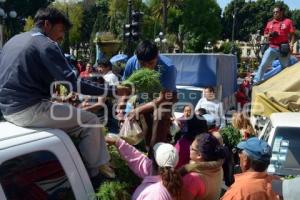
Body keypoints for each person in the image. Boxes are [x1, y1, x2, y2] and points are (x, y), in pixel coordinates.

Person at [0, 7, 130, 180]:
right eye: (60, 30)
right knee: (90, 121)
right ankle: (96, 175)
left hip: (7, 110)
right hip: (28, 110)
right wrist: (113, 90)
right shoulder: (46, 44)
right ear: (47, 24)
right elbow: (73, 83)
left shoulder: (14, 40)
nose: (62, 37)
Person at [121, 40, 177, 149]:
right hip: (143, 100)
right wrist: (121, 105)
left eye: (151, 63)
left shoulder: (168, 67)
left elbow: (163, 98)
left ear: (157, 56)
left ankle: (156, 153)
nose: (146, 67)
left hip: (165, 99)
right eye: (142, 64)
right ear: (137, 57)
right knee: (146, 127)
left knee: (159, 115)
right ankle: (147, 151)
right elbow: (126, 88)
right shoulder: (131, 63)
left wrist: (138, 110)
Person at [105, 134, 182, 200]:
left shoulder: (155, 194)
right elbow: (137, 159)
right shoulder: (158, 174)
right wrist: (118, 142)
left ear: (153, 161)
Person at [254, 5, 295, 84]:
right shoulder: (269, 23)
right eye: (274, 12)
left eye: (277, 12)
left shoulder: (288, 21)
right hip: (272, 47)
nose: (275, 13)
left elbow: (292, 34)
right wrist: (269, 35)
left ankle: (285, 83)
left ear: (281, 12)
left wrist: (291, 44)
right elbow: (265, 34)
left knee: (285, 68)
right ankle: (256, 81)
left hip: (283, 48)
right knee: (263, 64)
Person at [179, 133, 225, 200]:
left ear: (199, 155)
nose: (189, 148)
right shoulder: (219, 168)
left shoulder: (192, 179)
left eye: (192, 148)